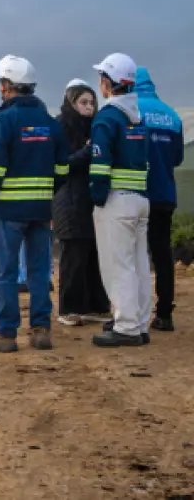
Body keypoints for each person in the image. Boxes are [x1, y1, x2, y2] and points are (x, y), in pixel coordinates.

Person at [0, 55, 69, 353]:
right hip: (41, 209)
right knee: (39, 270)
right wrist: (46, 192)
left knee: (6, 271)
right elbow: (63, 169)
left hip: (9, 210)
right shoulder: (49, 122)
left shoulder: (4, 120)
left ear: (7, 86)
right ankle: (41, 330)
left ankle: (6, 334)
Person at [89, 53, 152, 347]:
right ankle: (139, 323)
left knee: (119, 266)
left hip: (117, 202)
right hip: (140, 200)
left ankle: (126, 326)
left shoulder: (107, 118)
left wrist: (97, 198)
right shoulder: (136, 117)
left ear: (108, 83)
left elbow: (100, 167)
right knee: (139, 265)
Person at [52, 79, 111, 327]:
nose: (88, 107)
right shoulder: (61, 128)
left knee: (94, 253)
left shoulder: (97, 128)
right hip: (68, 199)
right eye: (82, 102)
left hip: (91, 200)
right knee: (74, 255)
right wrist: (87, 152)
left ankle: (96, 305)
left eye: (91, 102)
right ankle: (70, 308)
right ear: (71, 103)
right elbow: (62, 164)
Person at [136, 66, 184, 332]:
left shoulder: (133, 111)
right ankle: (164, 313)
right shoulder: (172, 115)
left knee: (136, 254)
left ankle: (135, 313)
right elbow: (177, 158)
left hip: (137, 193)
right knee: (162, 253)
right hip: (165, 193)